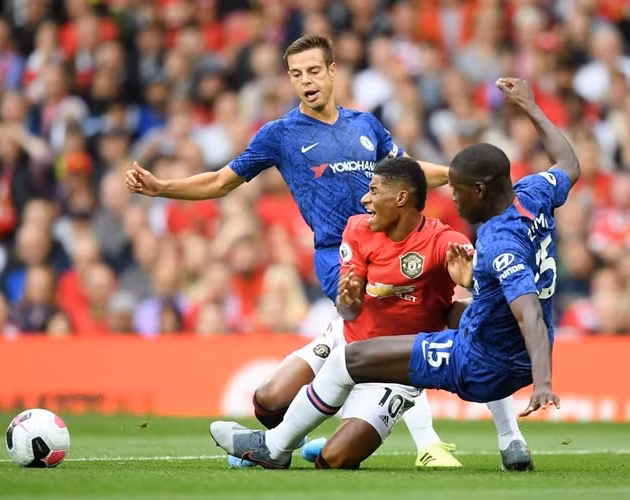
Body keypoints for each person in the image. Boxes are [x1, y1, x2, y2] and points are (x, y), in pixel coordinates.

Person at [126, 35, 525, 468]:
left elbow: (408, 174)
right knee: (278, 397)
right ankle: (402, 431)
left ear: (333, 71)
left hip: (397, 246)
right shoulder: (280, 134)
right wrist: (163, 188)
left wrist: (459, 176)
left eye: (314, 71)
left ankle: (472, 437)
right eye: (296, 74)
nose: (306, 81)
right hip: (340, 256)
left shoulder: (366, 125)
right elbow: (222, 181)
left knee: (445, 319)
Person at [208, 77, 580, 470]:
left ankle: (275, 448)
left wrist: (543, 381)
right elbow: (569, 165)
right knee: (283, 408)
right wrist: (530, 105)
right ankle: (505, 444)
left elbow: (523, 310)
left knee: (345, 412)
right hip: (365, 332)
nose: (452, 198)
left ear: (480, 191)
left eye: (457, 190)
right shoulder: (534, 193)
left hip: (462, 358)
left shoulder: (472, 241)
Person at [290, 156, 474, 470]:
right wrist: (348, 301)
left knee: (332, 459)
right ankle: (275, 444)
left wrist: (471, 283)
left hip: (398, 346)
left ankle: (503, 439)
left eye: (373, 191)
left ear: (400, 198)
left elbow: (482, 292)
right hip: (352, 334)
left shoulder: (443, 240)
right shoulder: (358, 228)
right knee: (268, 401)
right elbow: (348, 309)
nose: (364, 199)